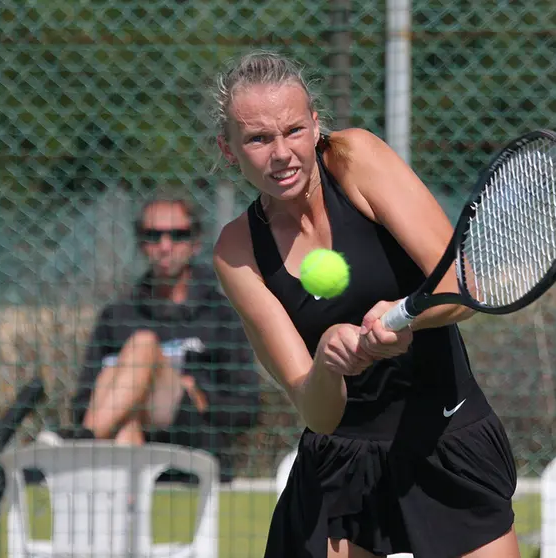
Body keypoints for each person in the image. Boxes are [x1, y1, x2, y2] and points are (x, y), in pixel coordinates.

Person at [211, 51, 520, 558]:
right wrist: (329, 361)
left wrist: (405, 317)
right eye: (258, 139)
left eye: (293, 130)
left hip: (444, 433)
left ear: (316, 125)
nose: (282, 153)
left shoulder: (356, 158)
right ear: (230, 149)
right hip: (343, 463)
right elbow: (318, 412)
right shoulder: (236, 251)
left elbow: (462, 289)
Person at [69, 195, 261, 481]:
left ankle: (76, 449)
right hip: (130, 437)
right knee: (124, 414)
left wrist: (202, 396)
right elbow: (82, 401)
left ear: (195, 243)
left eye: (178, 235)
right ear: (141, 243)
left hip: (193, 441)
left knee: (143, 344)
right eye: (153, 235)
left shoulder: (220, 315)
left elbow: (248, 408)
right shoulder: (116, 316)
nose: (165, 246)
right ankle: (127, 514)